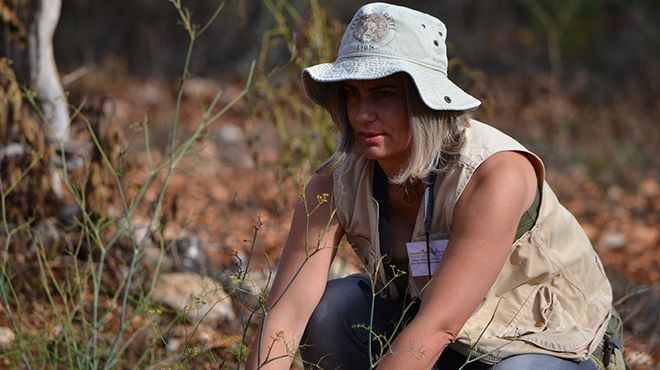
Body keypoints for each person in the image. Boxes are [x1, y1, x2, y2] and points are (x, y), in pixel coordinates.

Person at [246, 3, 623, 370]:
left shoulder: (495, 174)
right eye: (352, 93)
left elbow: (438, 325)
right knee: (330, 310)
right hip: (433, 340)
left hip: (539, 344)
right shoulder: (334, 182)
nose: (362, 114)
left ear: (426, 100)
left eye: (384, 94)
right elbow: (286, 314)